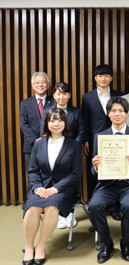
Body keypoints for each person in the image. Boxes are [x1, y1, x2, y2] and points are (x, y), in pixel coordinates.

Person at [88, 97, 129, 263]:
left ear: (126, 113)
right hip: (107, 185)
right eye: (113, 111)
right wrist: (96, 167)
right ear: (108, 114)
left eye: (120, 110)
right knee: (94, 206)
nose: (117, 114)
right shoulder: (100, 137)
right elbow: (93, 170)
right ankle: (107, 243)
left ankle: (125, 242)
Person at [22, 108, 81, 265]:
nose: (56, 124)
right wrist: (37, 187)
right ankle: (29, 247)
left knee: (52, 207)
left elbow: (75, 174)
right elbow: (33, 170)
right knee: (32, 207)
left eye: (60, 120)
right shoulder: (38, 144)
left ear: (65, 123)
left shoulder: (73, 145)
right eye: (52, 120)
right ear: (47, 123)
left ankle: (41, 246)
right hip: (41, 187)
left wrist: (55, 189)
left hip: (63, 189)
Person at [39, 82, 84, 229]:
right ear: (54, 95)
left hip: (71, 152)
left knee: (71, 181)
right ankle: (58, 213)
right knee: (54, 180)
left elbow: (81, 132)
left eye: (65, 93)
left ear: (69, 95)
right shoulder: (48, 111)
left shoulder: (76, 112)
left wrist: (73, 148)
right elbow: (43, 132)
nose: (62, 96)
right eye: (58, 93)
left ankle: (69, 212)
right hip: (53, 152)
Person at [81, 64, 123, 199]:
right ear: (95, 78)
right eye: (100, 76)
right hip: (95, 139)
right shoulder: (87, 97)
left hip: (116, 137)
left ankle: (115, 206)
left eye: (106, 76)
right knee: (96, 170)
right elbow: (85, 119)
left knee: (116, 171)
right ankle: (98, 205)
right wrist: (86, 139)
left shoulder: (119, 95)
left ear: (111, 78)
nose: (103, 79)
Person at [20, 72, 55, 173]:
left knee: (50, 177)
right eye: (37, 83)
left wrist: (46, 137)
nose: (40, 85)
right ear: (33, 86)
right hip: (31, 146)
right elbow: (24, 124)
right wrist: (36, 140)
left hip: (51, 144)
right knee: (32, 178)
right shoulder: (25, 103)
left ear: (48, 85)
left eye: (43, 82)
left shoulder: (54, 102)